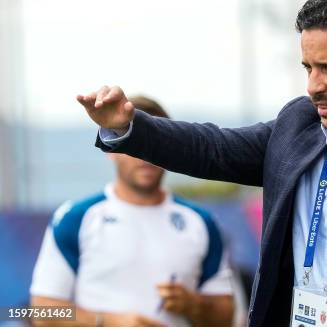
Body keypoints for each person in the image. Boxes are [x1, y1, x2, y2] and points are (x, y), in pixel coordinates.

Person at [76, 0, 327, 327]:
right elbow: (211, 148)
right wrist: (129, 126)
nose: (313, 85)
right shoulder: (298, 125)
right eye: (308, 68)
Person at [31, 96, 235, 327]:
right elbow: (41, 312)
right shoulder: (75, 218)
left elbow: (226, 317)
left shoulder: (201, 222)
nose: (144, 156)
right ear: (111, 149)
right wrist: (107, 322)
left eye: (154, 144)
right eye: (133, 143)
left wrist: (193, 304)